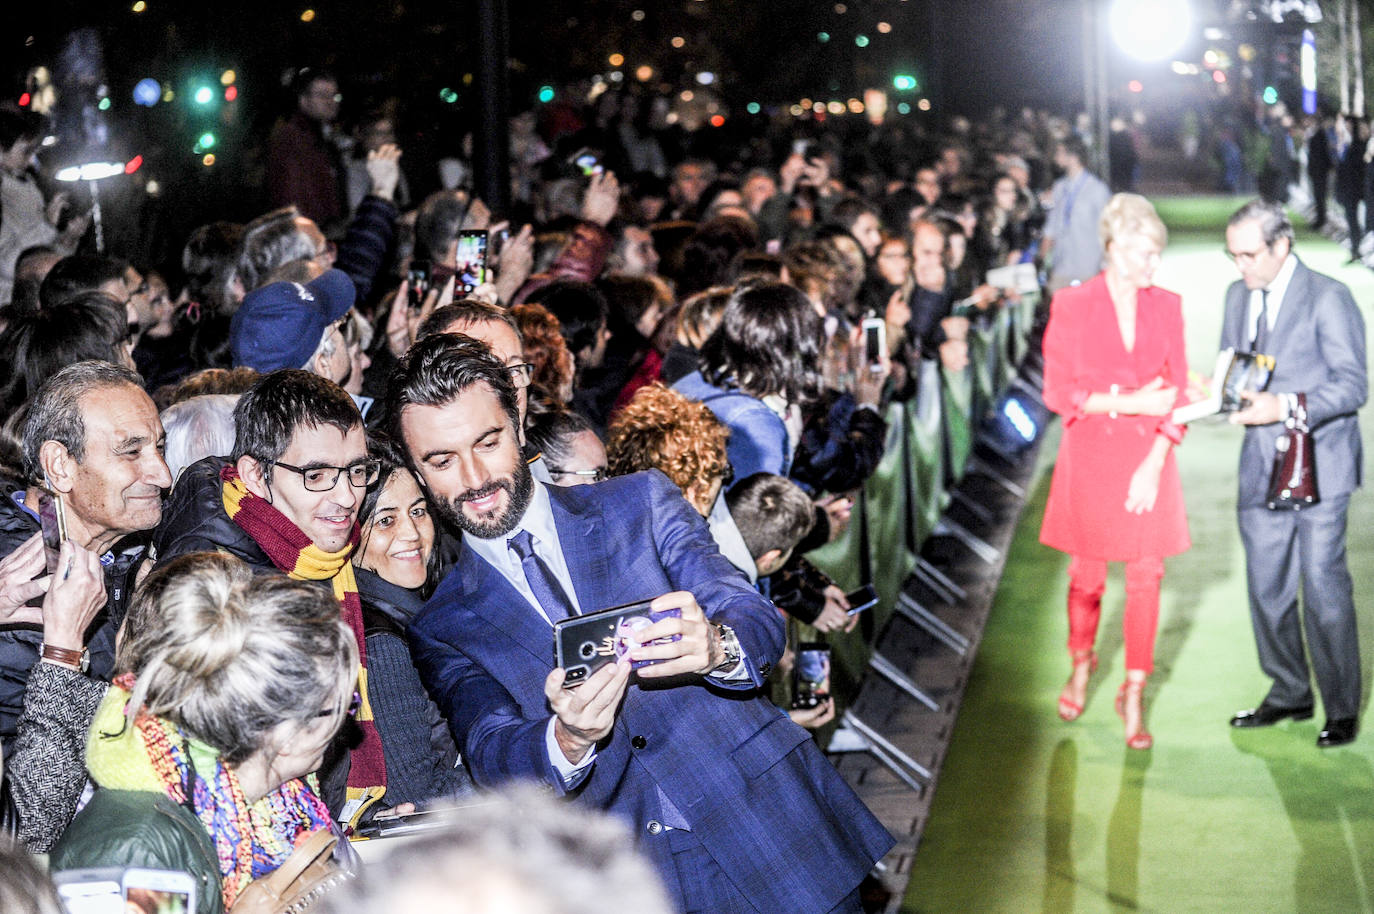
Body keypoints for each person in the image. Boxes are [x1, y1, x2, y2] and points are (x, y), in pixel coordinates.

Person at [390, 334, 893, 914]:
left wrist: (715, 647)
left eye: (488, 441)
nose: (475, 477)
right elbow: (491, 748)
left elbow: (748, 611)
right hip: (626, 878)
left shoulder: (641, 502)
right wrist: (566, 739)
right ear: (418, 472)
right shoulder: (442, 622)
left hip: (768, 827)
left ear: (519, 424)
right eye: (442, 460)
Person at [50, 553, 359, 914]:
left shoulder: (280, 807)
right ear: (284, 736)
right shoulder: (139, 852)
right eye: (339, 707)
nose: (343, 725)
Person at [152, 370, 395, 823]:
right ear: (254, 476)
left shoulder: (317, 552)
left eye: (357, 471)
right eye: (316, 474)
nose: (346, 496)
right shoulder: (211, 579)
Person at [1040, 194, 1190, 750]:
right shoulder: (1074, 304)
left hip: (1150, 457)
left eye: (1156, 252)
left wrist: (1155, 458)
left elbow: (1178, 395)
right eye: (1143, 252)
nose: (1152, 263)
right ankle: (1082, 663)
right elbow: (1059, 392)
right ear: (1113, 248)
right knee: (1088, 579)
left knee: (1148, 575)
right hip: (1092, 458)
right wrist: (1132, 401)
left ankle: (1134, 690)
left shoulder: (1167, 304)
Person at [1221, 200, 1367, 748]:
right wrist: (1216, 395)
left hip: (1321, 465)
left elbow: (1354, 386)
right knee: (1267, 588)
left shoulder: (1329, 297)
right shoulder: (1238, 294)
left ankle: (1342, 706)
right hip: (1260, 465)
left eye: (1250, 254)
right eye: (1233, 255)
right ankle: (1288, 692)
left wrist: (1283, 405)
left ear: (1282, 245)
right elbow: (1231, 364)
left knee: (1324, 590)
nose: (1241, 267)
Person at [0, 361, 172, 744]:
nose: (163, 475)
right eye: (131, 452)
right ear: (60, 466)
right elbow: (35, 782)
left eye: (160, 447)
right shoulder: (18, 592)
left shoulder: (124, 550)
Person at [351, 432, 472, 812]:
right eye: (385, 520)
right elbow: (415, 797)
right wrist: (514, 758)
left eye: (418, 511)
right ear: (348, 536)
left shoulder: (413, 612)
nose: (412, 533)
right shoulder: (381, 643)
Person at [1043, 134, 1111, 292]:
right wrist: (1041, 257)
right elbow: (1051, 226)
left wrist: (1105, 263)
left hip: (1088, 267)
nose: (1056, 156)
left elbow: (1107, 228)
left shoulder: (1097, 190)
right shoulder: (1059, 187)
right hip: (1061, 265)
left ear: (1073, 157)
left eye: (1060, 152)